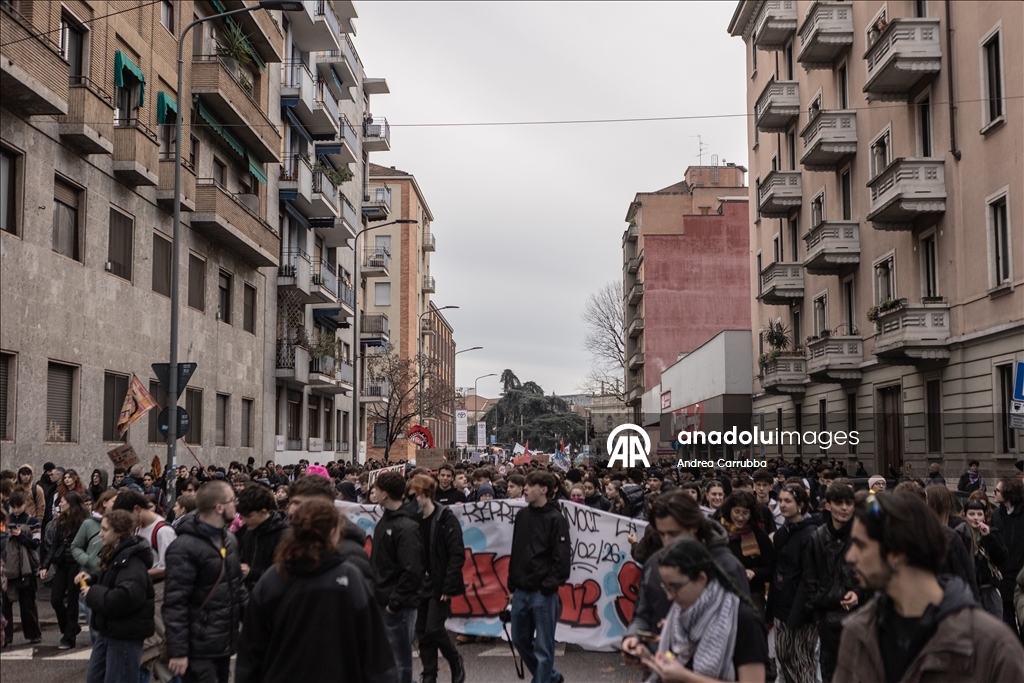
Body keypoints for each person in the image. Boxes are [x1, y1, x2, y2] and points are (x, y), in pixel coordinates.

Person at [835, 490, 1024, 682]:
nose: (850, 556)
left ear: (898, 553)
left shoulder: (991, 646)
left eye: (860, 545)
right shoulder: (858, 633)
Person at [235, 499, 398, 683]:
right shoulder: (349, 578)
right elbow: (374, 648)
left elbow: (250, 650)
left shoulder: (272, 579)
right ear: (333, 532)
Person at [623, 491, 751, 662]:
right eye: (661, 534)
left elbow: (744, 633)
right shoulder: (654, 564)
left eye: (674, 534)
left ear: (694, 527)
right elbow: (642, 614)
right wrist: (634, 638)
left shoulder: (727, 567)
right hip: (660, 668)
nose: (667, 542)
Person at [625, 538, 769, 683]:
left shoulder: (743, 620)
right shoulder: (680, 613)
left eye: (675, 587)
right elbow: (679, 664)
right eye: (666, 588)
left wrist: (686, 678)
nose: (669, 596)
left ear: (701, 578)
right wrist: (650, 659)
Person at [163, 480, 247, 683]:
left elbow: (237, 588)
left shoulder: (229, 540)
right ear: (219, 508)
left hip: (223, 643)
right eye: (232, 501)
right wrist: (179, 651)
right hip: (197, 647)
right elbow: (175, 602)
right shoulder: (183, 547)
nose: (236, 505)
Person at [77, 509, 155, 683]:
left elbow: (124, 597)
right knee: (95, 678)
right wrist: (93, 578)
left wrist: (92, 592)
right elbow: (113, 582)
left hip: (124, 636)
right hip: (110, 631)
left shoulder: (132, 563)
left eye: (105, 529)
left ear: (119, 533)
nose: (100, 533)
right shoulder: (119, 555)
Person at [508, 470, 571, 683]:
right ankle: (550, 677)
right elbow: (516, 550)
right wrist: (512, 584)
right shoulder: (522, 516)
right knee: (520, 639)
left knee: (544, 647)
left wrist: (548, 585)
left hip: (542, 594)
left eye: (530, 485)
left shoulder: (556, 519)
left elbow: (561, 559)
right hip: (520, 590)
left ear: (543, 490)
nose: (524, 489)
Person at [801, 480, 863, 683]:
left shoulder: (863, 537)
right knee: (831, 674)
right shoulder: (817, 538)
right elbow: (810, 579)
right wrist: (817, 616)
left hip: (860, 617)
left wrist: (859, 594)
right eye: (838, 503)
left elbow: (875, 577)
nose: (844, 508)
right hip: (827, 618)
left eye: (848, 503)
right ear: (828, 505)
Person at [408, 474, 466, 683]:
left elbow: (456, 552)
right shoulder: (412, 519)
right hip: (419, 582)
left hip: (439, 582)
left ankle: (454, 660)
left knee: (434, 628)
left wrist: (448, 586)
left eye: (414, 496)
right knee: (422, 631)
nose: (410, 500)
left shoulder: (444, 517)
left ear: (425, 495)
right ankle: (429, 673)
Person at [371, 471, 423, 683]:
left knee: (399, 661)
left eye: (375, 489)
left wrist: (394, 603)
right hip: (385, 600)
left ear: (384, 494)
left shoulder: (405, 527)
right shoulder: (387, 520)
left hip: (397, 606)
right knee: (388, 661)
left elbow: (412, 570)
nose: (371, 493)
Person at [769, 482, 819, 683]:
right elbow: (777, 571)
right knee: (784, 657)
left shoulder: (810, 533)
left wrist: (798, 614)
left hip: (801, 612)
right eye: (780, 500)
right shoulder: (782, 533)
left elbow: (809, 577)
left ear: (800, 504)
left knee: (803, 661)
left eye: (788, 501)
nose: (782, 505)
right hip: (781, 607)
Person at [40, 491, 88, 649]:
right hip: (61, 564)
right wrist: (45, 566)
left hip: (76, 565)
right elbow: (55, 545)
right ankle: (70, 627)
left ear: (71, 504)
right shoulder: (61, 521)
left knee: (73, 601)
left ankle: (69, 638)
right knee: (56, 599)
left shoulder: (83, 522)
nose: (60, 504)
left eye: (63, 501)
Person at [720, 490, 774, 621]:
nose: (740, 517)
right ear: (729, 510)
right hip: (723, 593)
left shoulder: (759, 535)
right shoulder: (719, 532)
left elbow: (771, 568)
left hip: (753, 594)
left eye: (745, 513)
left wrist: (753, 573)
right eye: (737, 512)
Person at [2, 490, 42, 645]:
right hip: (8, 568)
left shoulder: (33, 521)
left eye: (18, 506)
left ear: (25, 504)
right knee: (5, 606)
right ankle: (5, 637)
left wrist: (20, 535)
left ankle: (33, 634)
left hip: (27, 568)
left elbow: (36, 544)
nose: (16, 509)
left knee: (28, 605)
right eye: (13, 506)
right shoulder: (5, 520)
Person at [960, 494, 1007, 619]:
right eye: (972, 514)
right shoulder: (960, 535)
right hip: (969, 591)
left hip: (989, 590)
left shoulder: (993, 532)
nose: (976, 518)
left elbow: (1001, 558)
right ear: (965, 515)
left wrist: (988, 537)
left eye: (979, 514)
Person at [234, 484, 289, 592]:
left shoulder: (284, 535)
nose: (244, 521)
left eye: (248, 516)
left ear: (263, 512)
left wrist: (252, 573)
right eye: (242, 516)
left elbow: (285, 574)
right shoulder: (247, 531)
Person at [992, 477, 1024, 642]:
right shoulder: (997, 515)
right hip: (1003, 575)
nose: (994, 494)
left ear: (1009, 493)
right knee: (1008, 620)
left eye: (997, 490)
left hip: (1021, 576)